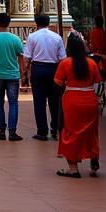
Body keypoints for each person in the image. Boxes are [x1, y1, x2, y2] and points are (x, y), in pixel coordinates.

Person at [54, 32, 102, 177]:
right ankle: (94, 159)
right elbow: (97, 80)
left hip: (72, 100)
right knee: (91, 131)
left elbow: (57, 81)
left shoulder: (65, 63)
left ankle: (73, 168)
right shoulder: (92, 63)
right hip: (90, 99)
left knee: (70, 131)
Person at [23, 12, 67, 141]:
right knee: (54, 101)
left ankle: (42, 131)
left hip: (38, 69)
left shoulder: (32, 37)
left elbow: (27, 58)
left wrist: (26, 71)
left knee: (39, 101)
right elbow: (62, 58)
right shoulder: (57, 37)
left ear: (36, 23)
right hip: (54, 69)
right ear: (48, 23)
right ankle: (55, 129)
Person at [0, 11, 24, 141]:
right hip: (13, 75)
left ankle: (1, 131)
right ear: (9, 23)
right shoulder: (15, 38)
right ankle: (12, 132)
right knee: (13, 103)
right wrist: (22, 71)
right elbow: (20, 56)